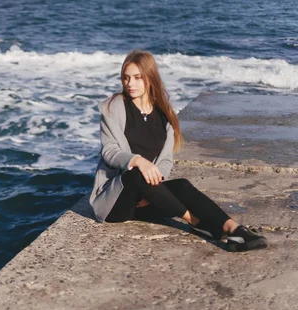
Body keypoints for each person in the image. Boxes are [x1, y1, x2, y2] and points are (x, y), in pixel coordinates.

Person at [89, 49, 267, 252]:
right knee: (137, 175)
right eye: (126, 77)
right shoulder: (113, 107)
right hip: (117, 203)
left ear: (150, 77)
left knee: (182, 185)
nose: (130, 83)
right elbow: (110, 152)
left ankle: (234, 228)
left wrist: (153, 189)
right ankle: (199, 223)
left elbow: (165, 161)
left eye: (138, 77)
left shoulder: (164, 115)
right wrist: (138, 161)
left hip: (146, 201)